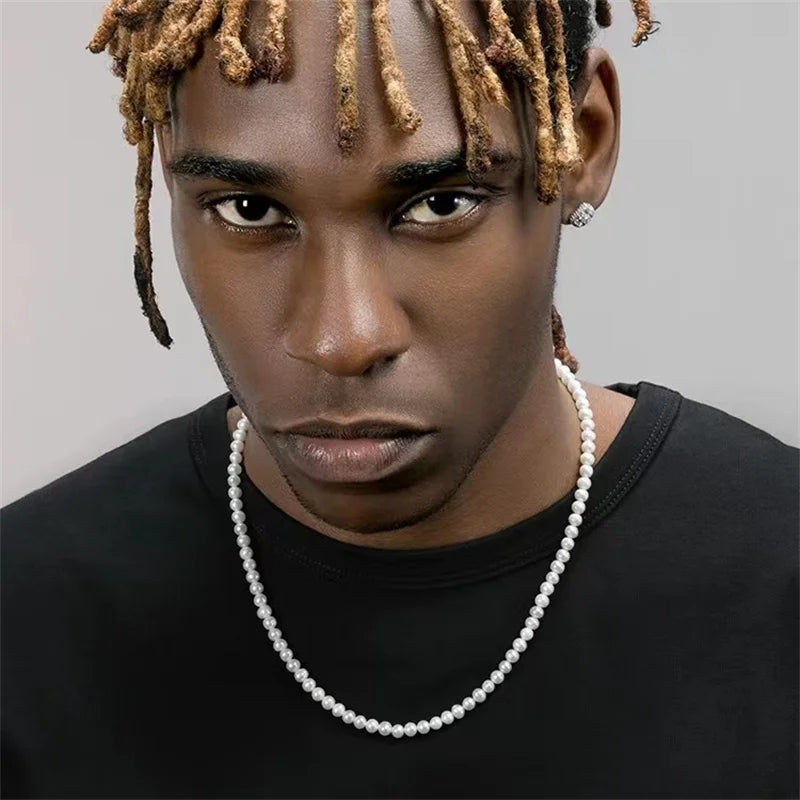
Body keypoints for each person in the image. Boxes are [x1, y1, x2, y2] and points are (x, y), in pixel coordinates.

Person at [1, 0, 797, 797]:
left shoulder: (774, 578)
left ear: (582, 135)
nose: (344, 339)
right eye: (250, 209)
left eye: (440, 203)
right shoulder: (28, 617)